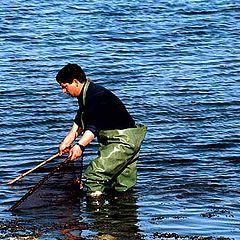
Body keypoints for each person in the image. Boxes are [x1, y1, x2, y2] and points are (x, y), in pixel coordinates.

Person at [56, 63, 147, 198]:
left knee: (94, 175)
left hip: (123, 142)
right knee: (121, 185)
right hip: (126, 140)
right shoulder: (86, 94)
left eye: (65, 87)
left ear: (75, 82)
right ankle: (125, 217)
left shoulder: (96, 96)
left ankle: (96, 216)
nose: (64, 91)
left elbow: (93, 126)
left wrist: (80, 146)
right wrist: (66, 142)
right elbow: (80, 121)